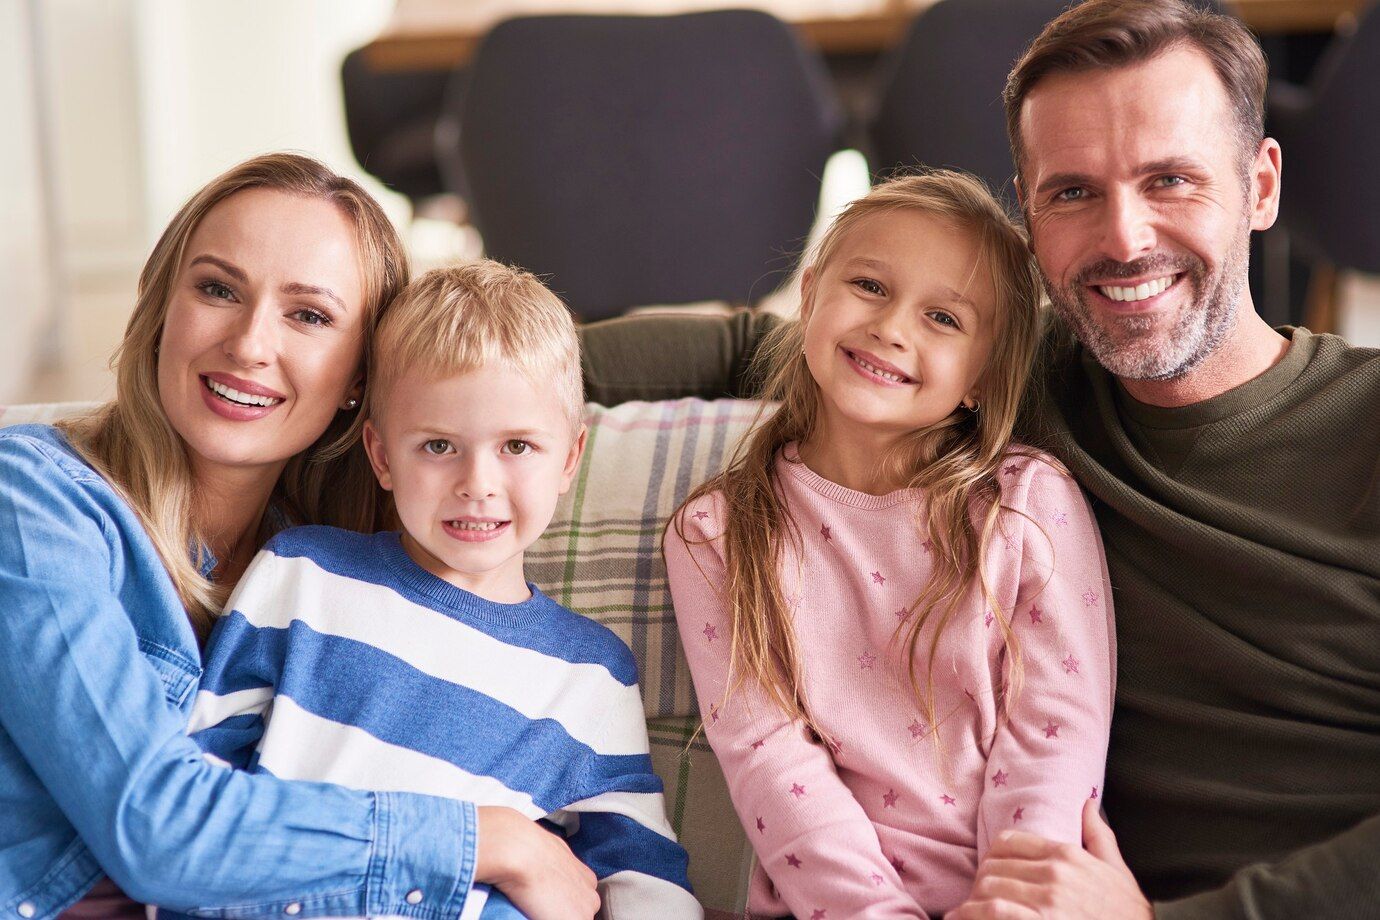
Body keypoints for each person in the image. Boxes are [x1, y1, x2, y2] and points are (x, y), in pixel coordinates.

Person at [579, 2, 1380, 917]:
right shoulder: (1001, 378)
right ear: (1030, 218)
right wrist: (456, 368)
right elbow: (744, 346)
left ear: (1261, 184)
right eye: (1072, 192)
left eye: (1171, 180)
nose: (1124, 239)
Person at [0, 154, 596, 920]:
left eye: (309, 315)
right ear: (161, 308)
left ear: (362, 377)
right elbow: (156, 832)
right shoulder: (36, 500)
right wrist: (486, 841)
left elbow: (514, 374)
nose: (249, 344)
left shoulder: (328, 567)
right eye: (217, 289)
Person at [175, 262, 700, 920]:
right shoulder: (304, 574)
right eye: (439, 445)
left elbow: (641, 869)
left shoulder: (591, 672)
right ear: (382, 456)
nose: (477, 482)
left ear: (569, 458)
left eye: (517, 445)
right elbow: (199, 784)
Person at [663, 172, 1115, 918]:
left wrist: (1011, 905)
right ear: (809, 295)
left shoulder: (1026, 506)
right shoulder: (716, 533)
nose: (893, 327)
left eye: (943, 317)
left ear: (983, 377)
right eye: (870, 286)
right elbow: (768, 761)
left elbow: (1056, 733)